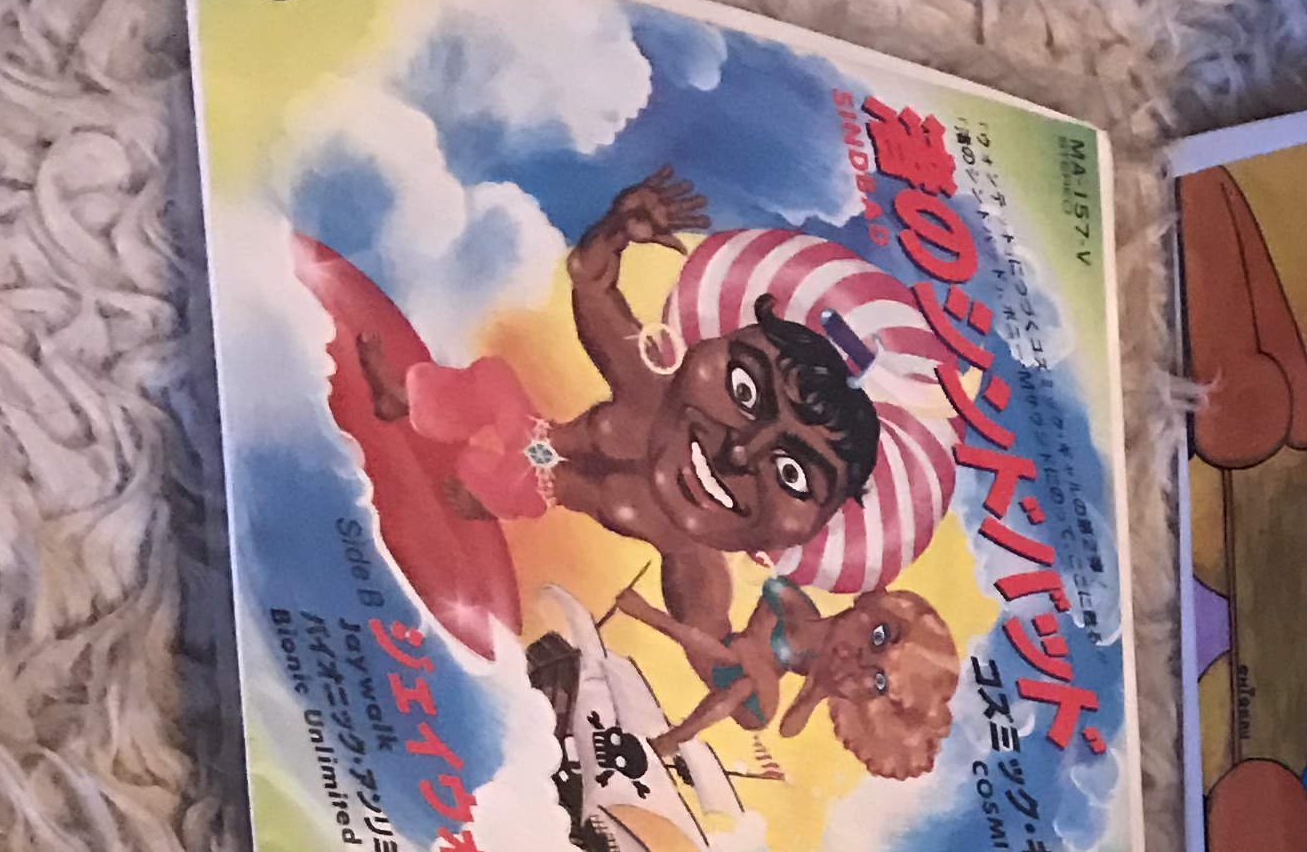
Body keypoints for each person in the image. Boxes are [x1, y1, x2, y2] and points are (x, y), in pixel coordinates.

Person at [302, 177, 955, 658]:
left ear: (814, 527)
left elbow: (712, 648)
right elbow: (591, 283)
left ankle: (469, 474)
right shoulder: (649, 389)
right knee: (494, 385)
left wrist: (802, 652)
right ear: (708, 347)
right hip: (533, 436)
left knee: (488, 477)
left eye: (793, 472)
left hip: (529, 486)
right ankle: (405, 400)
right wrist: (618, 228)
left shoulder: (695, 555)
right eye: (745, 391)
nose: (739, 453)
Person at [605, 572, 964, 777]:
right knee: (737, 660)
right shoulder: (794, 603)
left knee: (743, 673)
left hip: (756, 700)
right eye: (880, 635)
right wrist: (753, 645)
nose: (859, 658)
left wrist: (818, 691)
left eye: (879, 679)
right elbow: (766, 600)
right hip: (731, 659)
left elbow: (788, 727)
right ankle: (669, 741)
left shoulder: (824, 674)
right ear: (871, 601)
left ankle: (645, 615)